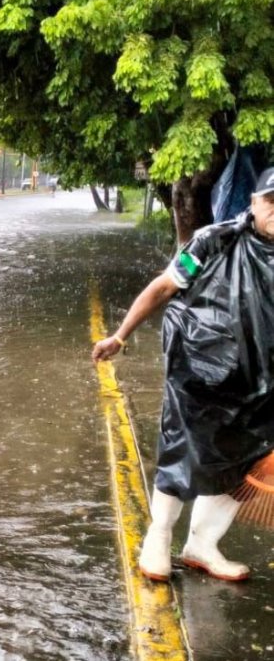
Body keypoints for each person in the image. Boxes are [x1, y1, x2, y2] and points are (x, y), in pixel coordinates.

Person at [92, 167, 274, 582]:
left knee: (243, 463)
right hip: (200, 375)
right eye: (272, 200)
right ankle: (157, 539)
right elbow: (163, 288)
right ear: (254, 201)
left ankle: (202, 545)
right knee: (182, 454)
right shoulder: (215, 240)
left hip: (262, 386)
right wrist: (120, 336)